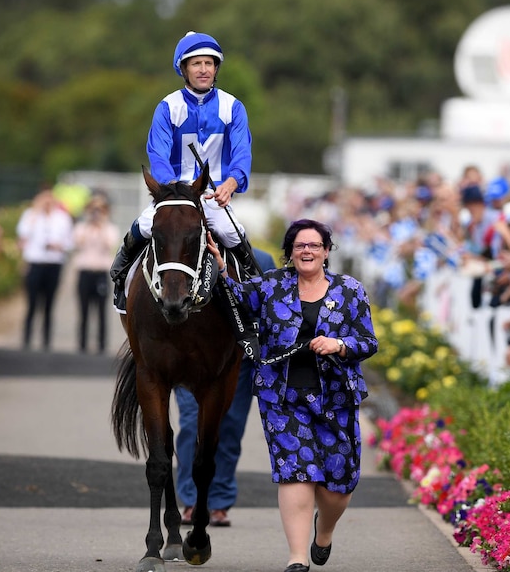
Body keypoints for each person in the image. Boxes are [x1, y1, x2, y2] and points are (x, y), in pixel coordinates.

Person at [207, 219, 379, 572]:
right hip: (282, 399)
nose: (307, 251)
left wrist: (340, 345)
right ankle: (297, 558)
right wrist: (221, 269)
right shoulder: (271, 285)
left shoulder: (350, 291)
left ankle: (325, 531)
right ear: (289, 253)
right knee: (296, 473)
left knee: (338, 485)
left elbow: (368, 342)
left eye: (314, 245)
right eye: (300, 246)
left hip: (336, 399)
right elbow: (236, 302)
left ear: (326, 251)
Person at [110, 31, 255, 311]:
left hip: (212, 196)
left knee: (233, 232)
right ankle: (121, 272)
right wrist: (170, 186)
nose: (203, 69)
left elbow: (242, 152)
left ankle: (250, 287)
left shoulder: (233, 107)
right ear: (184, 69)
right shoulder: (168, 107)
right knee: (144, 225)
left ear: (216, 68)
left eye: (209, 63)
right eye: (196, 63)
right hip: (174, 193)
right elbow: (157, 153)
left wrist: (232, 183)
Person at [175, 247, 276, 528]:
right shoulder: (182, 253)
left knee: (229, 427)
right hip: (190, 358)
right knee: (191, 424)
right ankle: (192, 499)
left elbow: (269, 309)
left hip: (236, 360)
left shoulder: (259, 258)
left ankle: (219, 501)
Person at [16, 188, 74, 351]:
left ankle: (46, 341)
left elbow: (70, 241)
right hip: (35, 262)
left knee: (49, 303)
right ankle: (27, 339)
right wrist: (35, 212)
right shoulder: (30, 215)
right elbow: (23, 233)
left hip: (53, 263)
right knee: (32, 303)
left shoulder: (62, 218)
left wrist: (59, 246)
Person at [71, 195, 119, 353]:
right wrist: (89, 226)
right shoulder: (81, 227)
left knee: (101, 310)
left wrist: (102, 226)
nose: (96, 213)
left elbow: (109, 245)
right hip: (85, 272)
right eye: (93, 209)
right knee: (83, 309)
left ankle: (101, 344)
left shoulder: (110, 228)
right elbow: (78, 243)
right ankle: (82, 343)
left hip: (100, 273)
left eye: (100, 210)